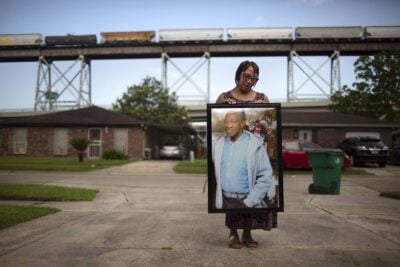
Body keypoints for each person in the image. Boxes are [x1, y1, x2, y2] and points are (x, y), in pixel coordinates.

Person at [215, 60, 278, 249]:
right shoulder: (224, 97)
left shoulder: (262, 99)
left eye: (254, 77)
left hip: (254, 154)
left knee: (252, 191)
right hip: (232, 153)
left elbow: (270, 131)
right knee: (232, 193)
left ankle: (248, 234)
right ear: (238, 74)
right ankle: (233, 234)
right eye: (246, 76)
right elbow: (214, 122)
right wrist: (222, 108)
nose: (249, 80)